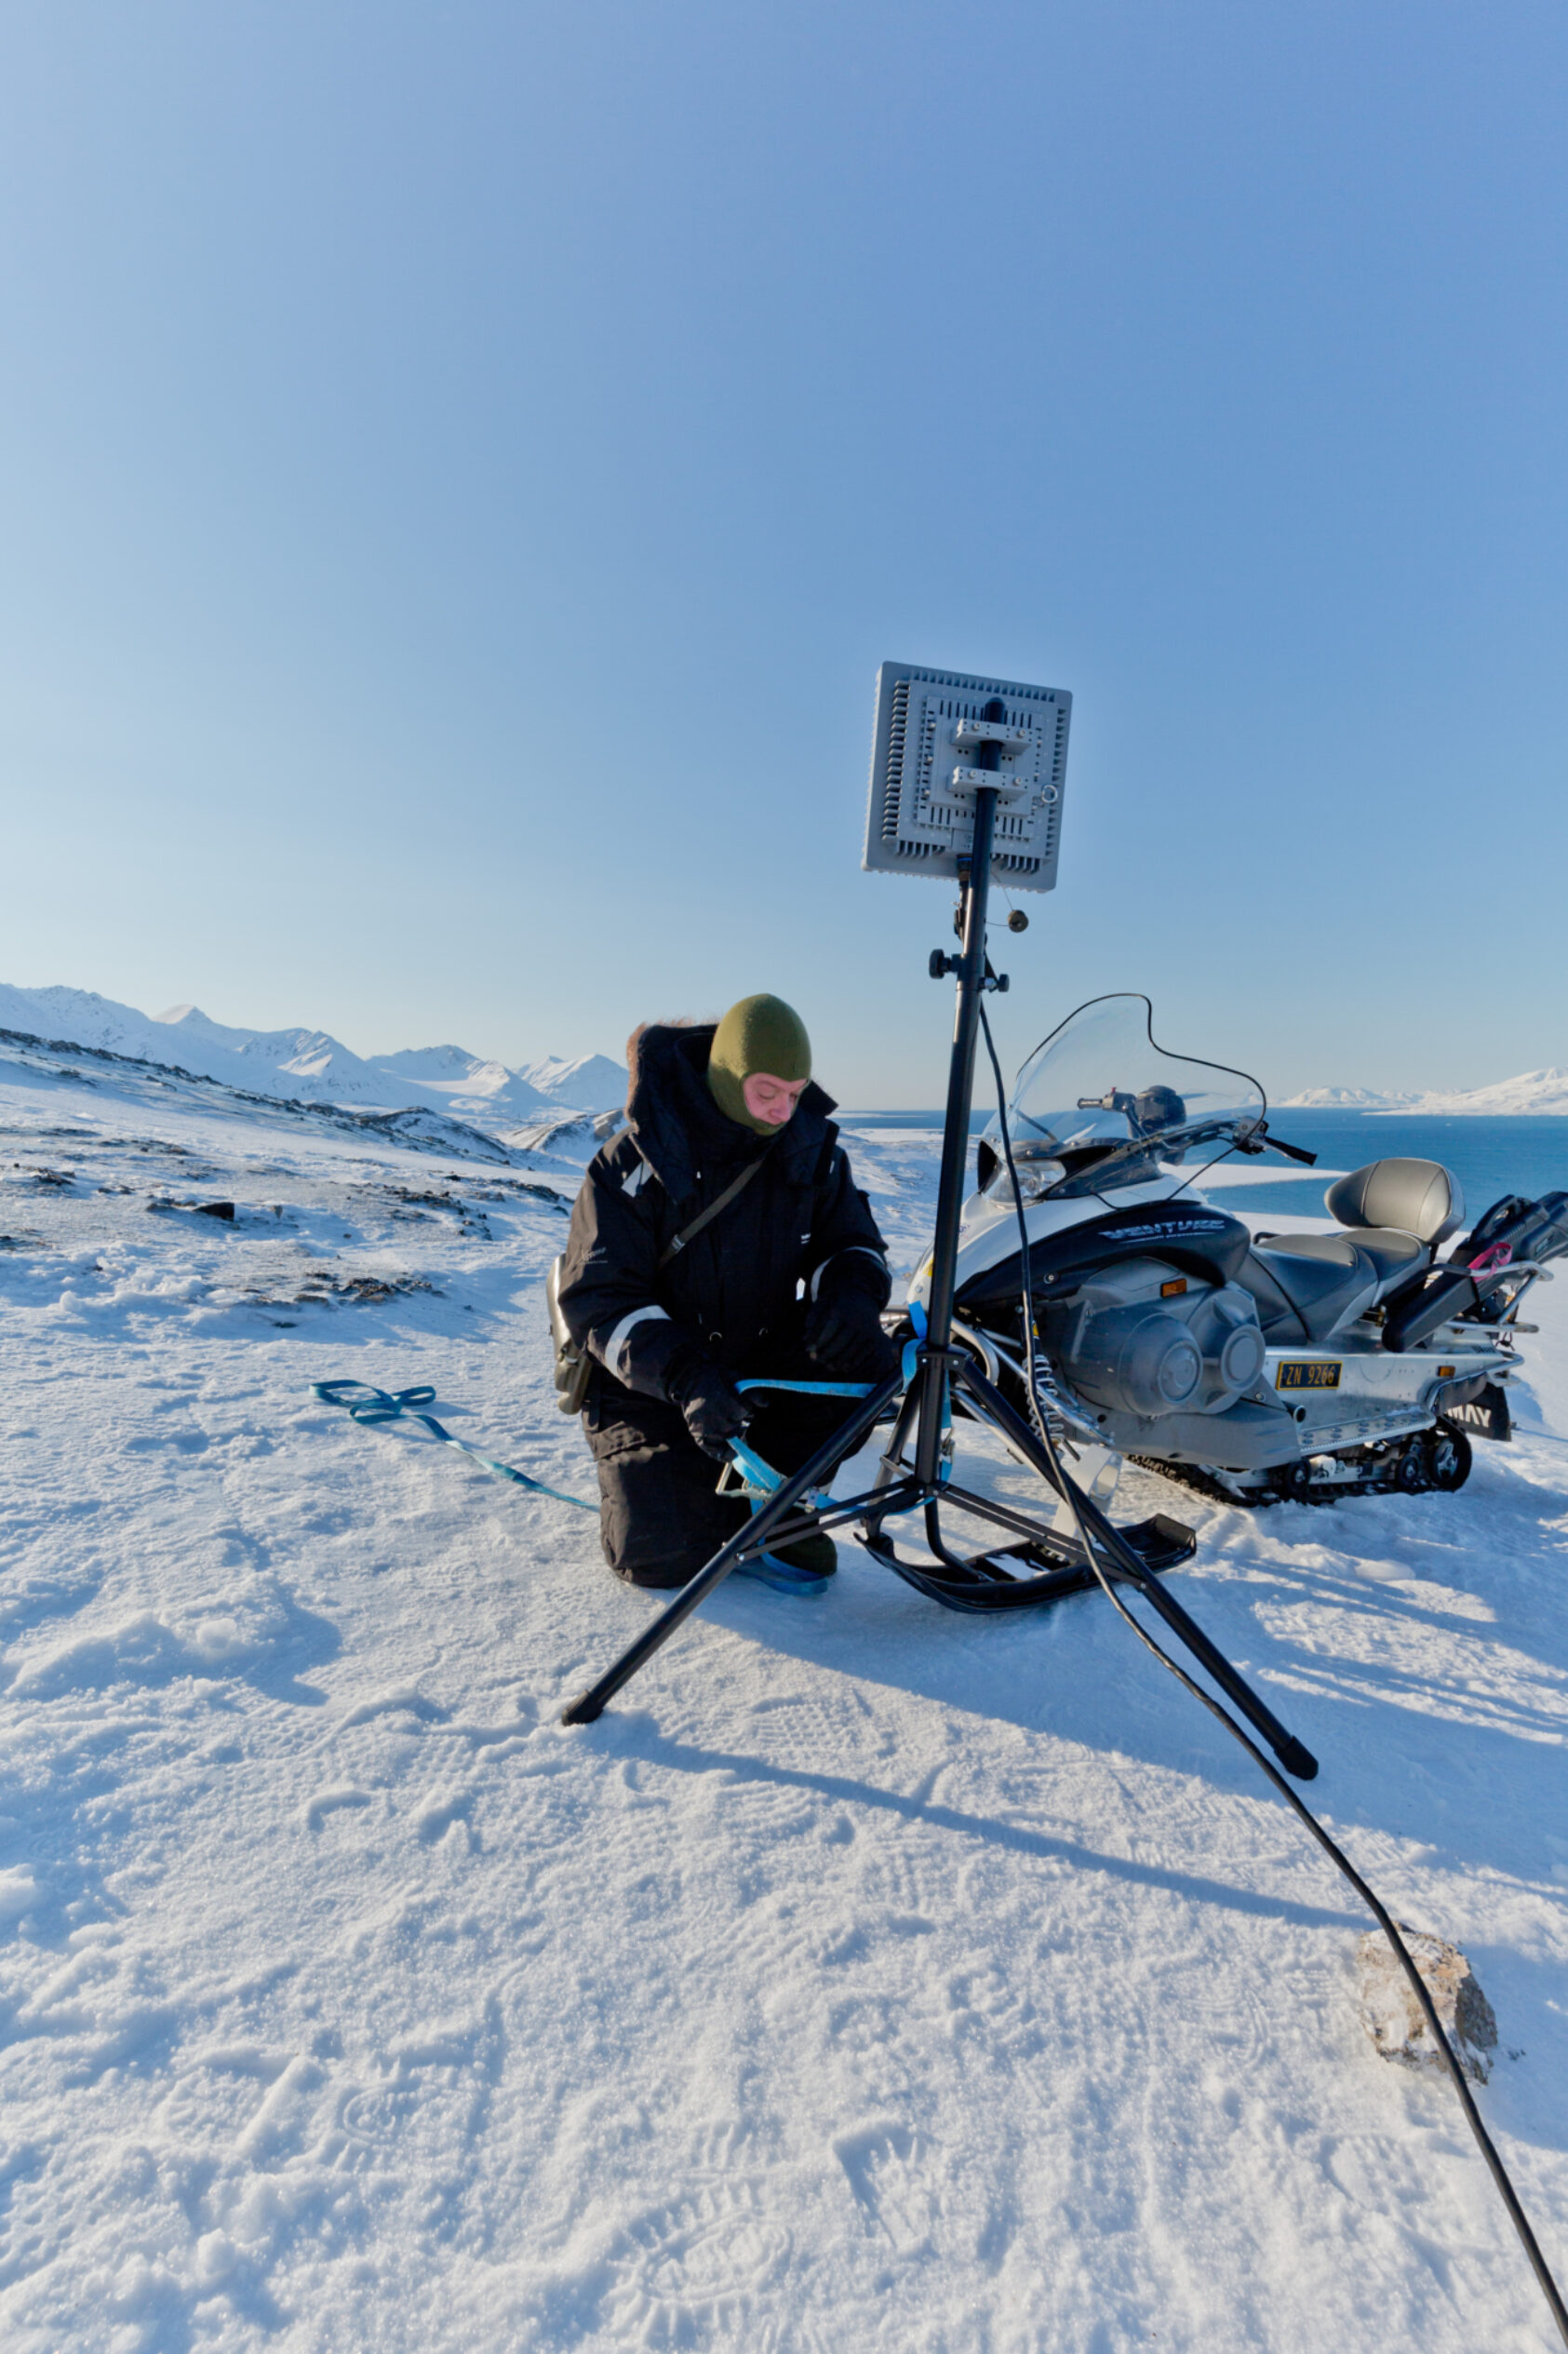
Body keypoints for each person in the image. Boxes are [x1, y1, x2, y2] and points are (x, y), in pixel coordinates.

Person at [556, 994, 896, 1593]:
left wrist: (849, 1295)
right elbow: (600, 1299)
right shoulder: (633, 1164)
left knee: (869, 1357)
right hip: (653, 1384)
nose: (784, 1111)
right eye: (768, 1091)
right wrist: (684, 1375)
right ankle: (724, 1493)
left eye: (795, 1093)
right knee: (662, 1555)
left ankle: (784, 1496)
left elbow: (853, 1242)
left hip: (756, 1360)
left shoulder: (809, 1149)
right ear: (727, 1075)